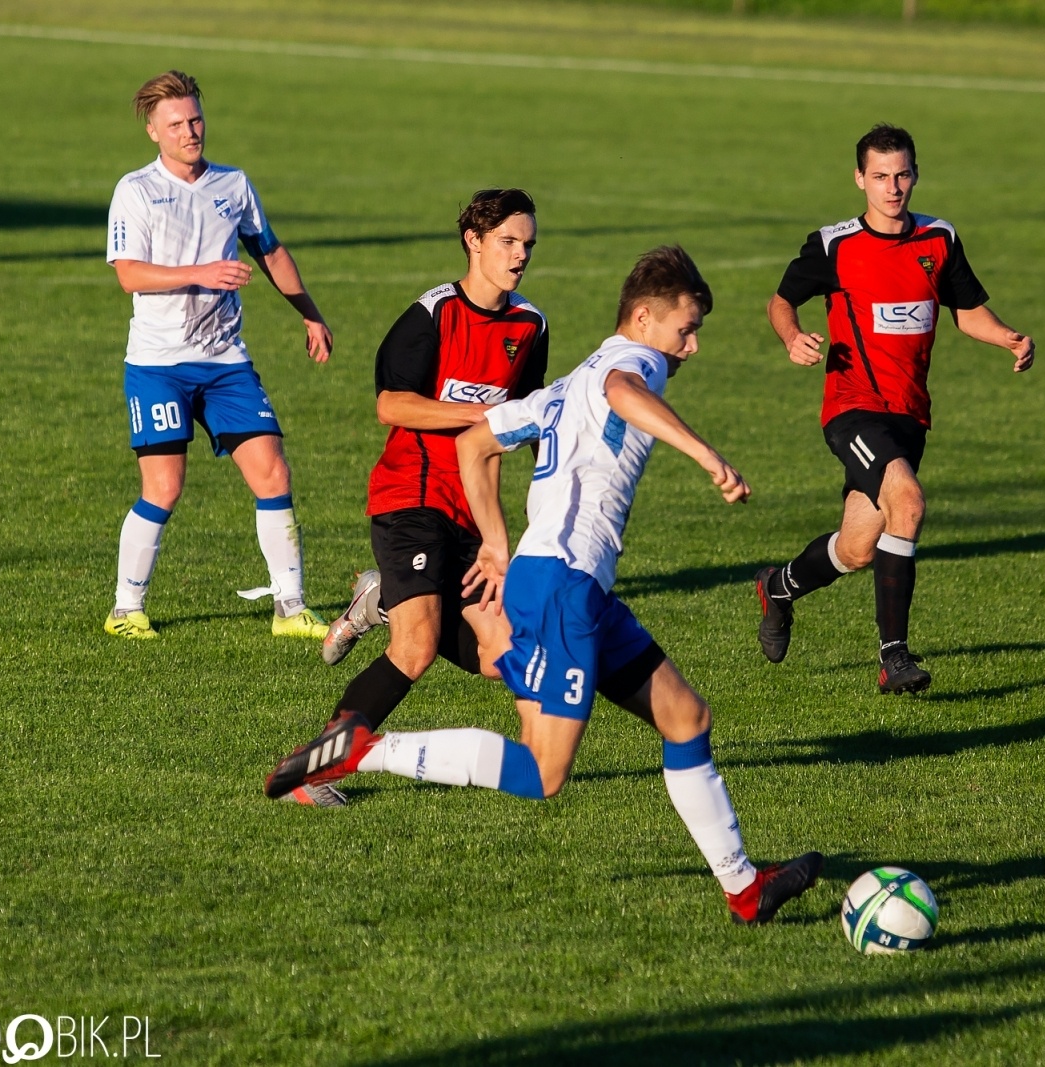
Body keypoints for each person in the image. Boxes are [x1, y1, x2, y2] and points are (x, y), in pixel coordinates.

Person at [265, 247, 823, 924]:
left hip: (565, 582)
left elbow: (475, 443)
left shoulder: (566, 382)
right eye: (686, 329)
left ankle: (744, 887)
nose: (692, 346)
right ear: (643, 318)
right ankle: (365, 748)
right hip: (564, 587)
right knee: (543, 771)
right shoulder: (633, 363)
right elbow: (625, 391)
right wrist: (707, 455)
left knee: (686, 717)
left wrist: (498, 542)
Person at [268, 189, 549, 806]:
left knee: (498, 654)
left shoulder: (531, 326)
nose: (520, 254)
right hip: (411, 498)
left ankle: (384, 600)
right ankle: (314, 773)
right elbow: (390, 404)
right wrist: (472, 412)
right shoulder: (432, 316)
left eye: (527, 243)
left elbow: (521, 421)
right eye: (508, 241)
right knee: (417, 648)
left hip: (472, 514)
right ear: (473, 242)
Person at [755, 124, 1035, 695]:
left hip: (910, 416)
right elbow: (781, 300)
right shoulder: (834, 245)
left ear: (915, 174)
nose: (892, 187)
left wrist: (1008, 337)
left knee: (857, 548)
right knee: (907, 502)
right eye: (880, 176)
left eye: (902, 174)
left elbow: (967, 311)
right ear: (860, 179)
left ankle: (777, 588)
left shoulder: (938, 239)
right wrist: (791, 337)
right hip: (852, 409)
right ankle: (894, 657)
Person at [104, 70, 333, 640]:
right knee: (164, 487)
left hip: (226, 361)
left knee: (273, 471)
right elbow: (128, 275)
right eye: (176, 123)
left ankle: (290, 607)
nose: (190, 131)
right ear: (154, 132)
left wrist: (309, 313)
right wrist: (201, 273)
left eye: (196, 119)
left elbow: (270, 249)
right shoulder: (136, 190)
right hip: (158, 365)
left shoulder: (233, 186)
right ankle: (125, 610)